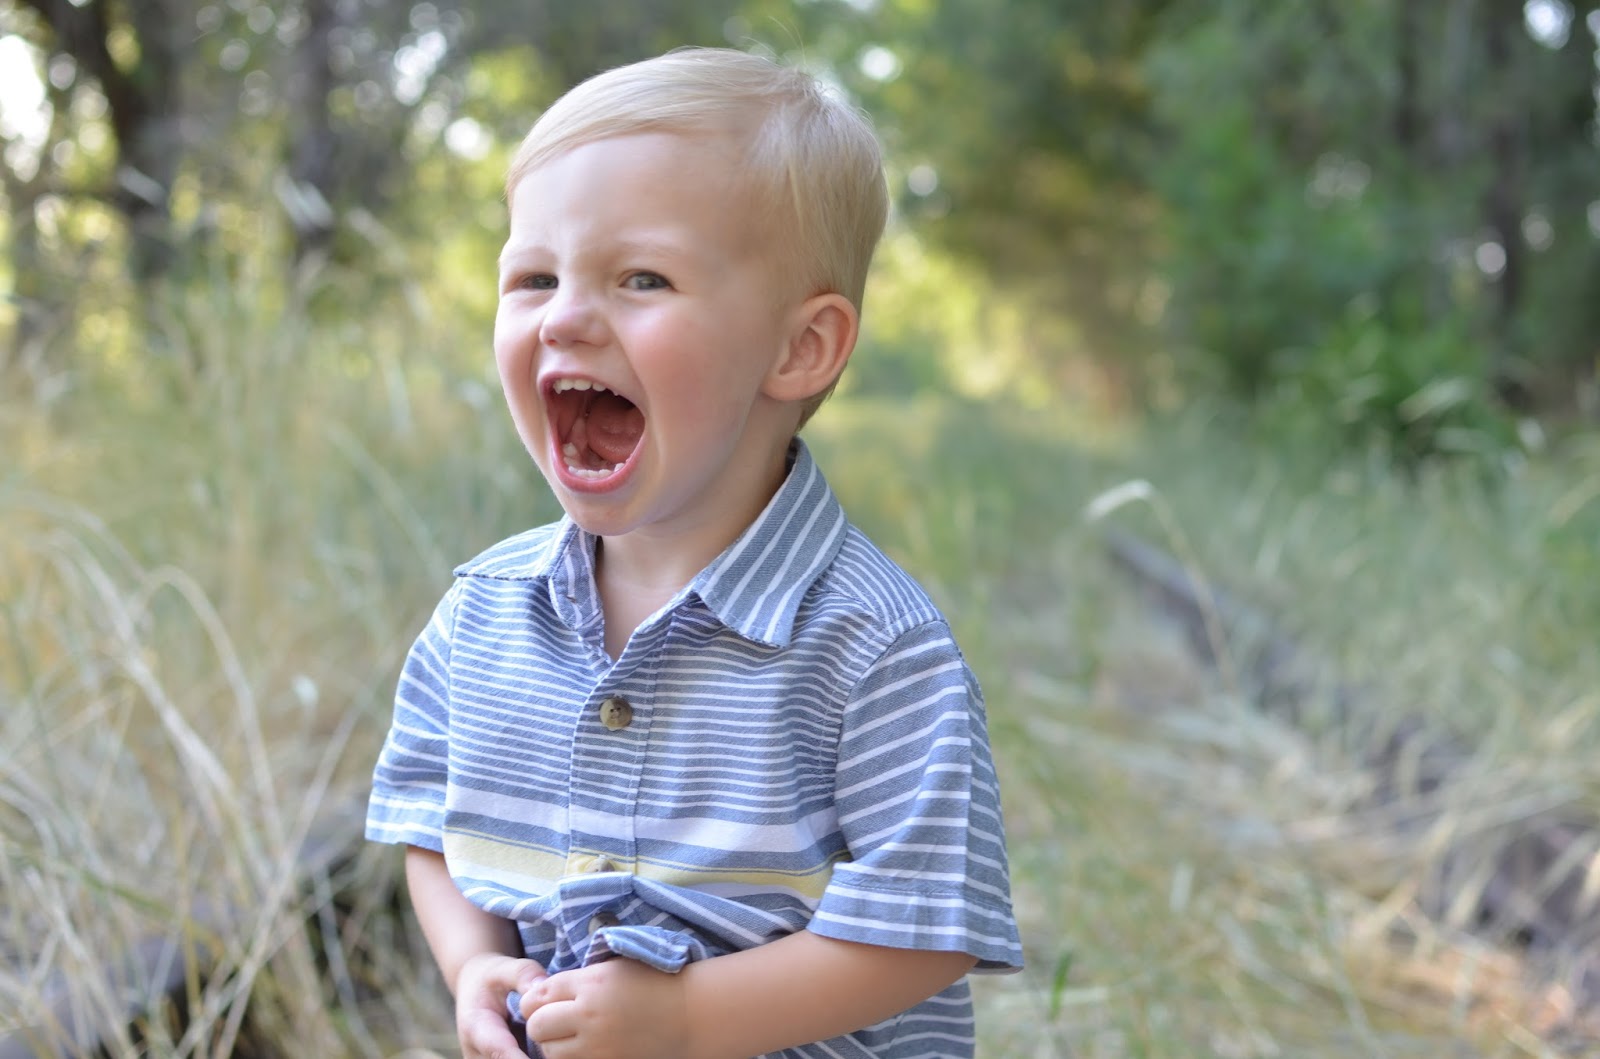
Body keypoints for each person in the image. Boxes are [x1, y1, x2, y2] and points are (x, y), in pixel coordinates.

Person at [365, 46, 1023, 1059]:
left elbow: (924, 932)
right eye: (534, 277)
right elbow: (430, 828)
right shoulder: (482, 616)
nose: (565, 316)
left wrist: (684, 1019)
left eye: (643, 278)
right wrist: (473, 963)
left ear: (798, 347)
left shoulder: (873, 648)